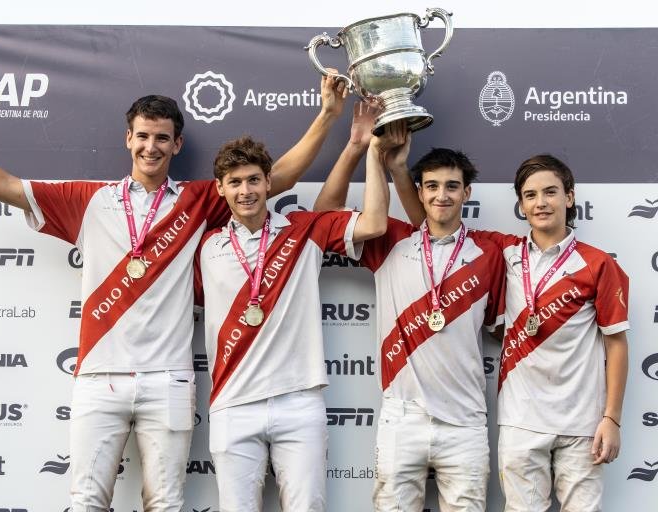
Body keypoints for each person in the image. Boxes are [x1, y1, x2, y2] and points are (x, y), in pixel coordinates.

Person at [0, 76, 348, 512]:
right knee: (86, 501)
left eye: (162, 138)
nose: (150, 146)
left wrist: (328, 114)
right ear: (128, 139)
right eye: (142, 136)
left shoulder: (200, 199)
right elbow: (5, 186)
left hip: (169, 379)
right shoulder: (90, 200)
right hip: (100, 375)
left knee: (166, 503)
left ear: (177, 145)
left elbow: (281, 176)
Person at [393, 150, 629, 511]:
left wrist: (611, 418)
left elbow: (616, 345)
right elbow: (433, 221)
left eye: (550, 192)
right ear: (521, 204)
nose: (541, 203)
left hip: (583, 423)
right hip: (520, 422)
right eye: (530, 195)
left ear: (569, 197)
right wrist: (397, 169)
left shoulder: (598, 264)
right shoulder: (502, 251)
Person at [197, 113, 388, 511]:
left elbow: (373, 223)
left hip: (298, 402)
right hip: (233, 403)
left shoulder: (303, 230)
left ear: (270, 182)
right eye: (234, 182)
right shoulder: (204, 245)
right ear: (220, 189)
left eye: (253, 180)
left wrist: (372, 150)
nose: (245, 191)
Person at [314, 118, 506, 511]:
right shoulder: (391, 240)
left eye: (452, 186)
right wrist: (373, 155)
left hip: (465, 420)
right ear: (419, 192)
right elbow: (324, 216)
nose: (442, 196)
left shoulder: (492, 251)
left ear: (467, 192)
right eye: (432, 186)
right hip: (402, 419)